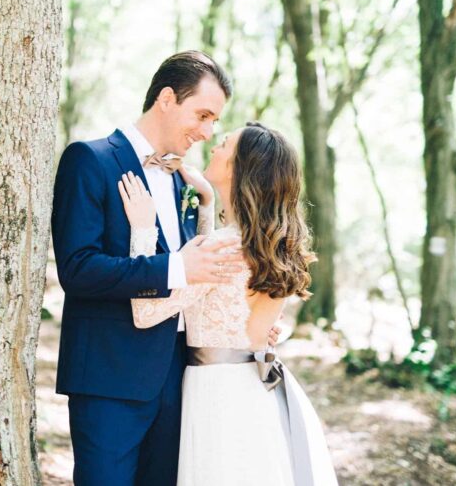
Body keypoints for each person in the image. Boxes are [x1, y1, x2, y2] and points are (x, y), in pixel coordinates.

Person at [52, 51, 280, 486]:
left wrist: (253, 326)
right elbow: (77, 269)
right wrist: (175, 267)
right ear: (167, 98)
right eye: (203, 114)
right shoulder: (90, 160)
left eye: (215, 121)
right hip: (109, 378)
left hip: (182, 382)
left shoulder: (184, 182)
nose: (208, 131)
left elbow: (205, 283)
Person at [118, 122, 338, 485]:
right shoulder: (270, 247)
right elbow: (221, 294)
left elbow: (145, 313)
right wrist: (206, 204)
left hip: (217, 395)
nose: (212, 147)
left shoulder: (219, 248)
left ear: (240, 170)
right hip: (258, 390)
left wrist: (143, 230)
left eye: (223, 145)